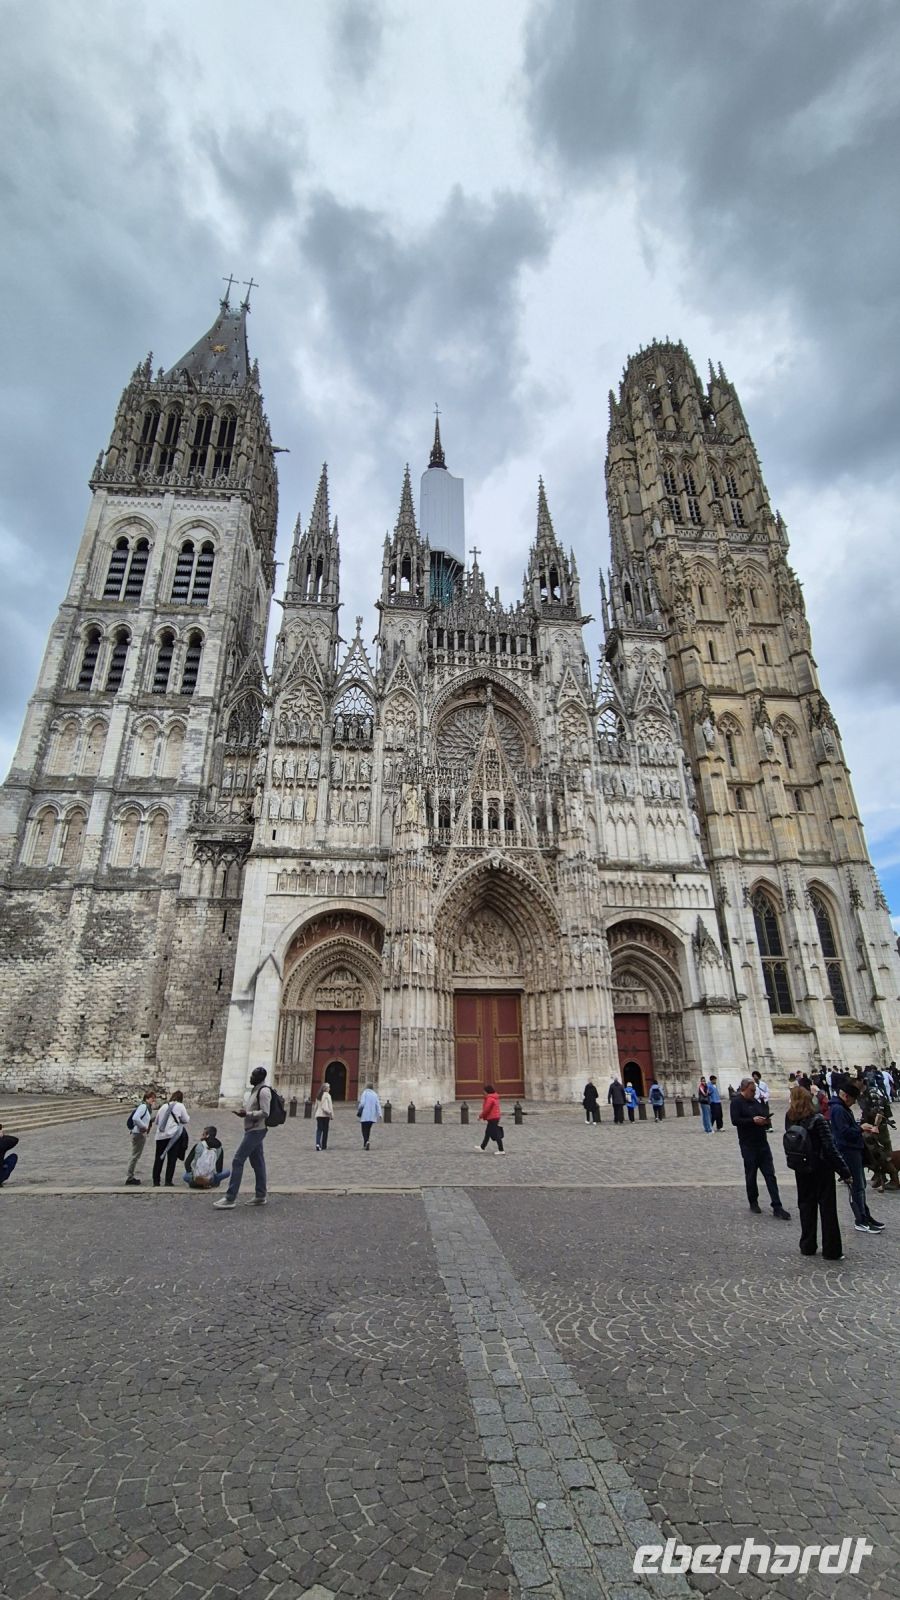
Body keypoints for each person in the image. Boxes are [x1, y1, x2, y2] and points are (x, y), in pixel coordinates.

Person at [783, 1084, 851, 1260]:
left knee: (806, 1206)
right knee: (827, 1209)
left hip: (802, 1168)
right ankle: (831, 1250)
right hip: (821, 1168)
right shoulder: (818, 1119)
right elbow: (830, 1148)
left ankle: (807, 1245)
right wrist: (844, 1171)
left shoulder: (790, 1118)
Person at [829, 1075, 884, 1235]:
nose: (854, 1103)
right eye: (853, 1100)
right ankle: (860, 1220)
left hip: (854, 1150)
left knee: (860, 1186)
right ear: (846, 1096)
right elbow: (844, 1133)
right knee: (856, 1187)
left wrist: (860, 1126)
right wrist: (861, 1129)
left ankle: (866, 1216)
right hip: (848, 1151)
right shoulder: (838, 1109)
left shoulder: (842, 1108)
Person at [730, 1077, 791, 1220]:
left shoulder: (755, 1101)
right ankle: (753, 1201)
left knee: (770, 1175)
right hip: (748, 1144)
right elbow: (735, 1120)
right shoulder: (737, 1102)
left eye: (755, 1090)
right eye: (752, 1090)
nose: (754, 1093)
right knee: (751, 1174)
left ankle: (777, 1206)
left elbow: (762, 1113)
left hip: (762, 1143)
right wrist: (752, 1121)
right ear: (744, 1088)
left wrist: (765, 1120)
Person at [214, 1067, 271, 1208]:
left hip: (256, 1130)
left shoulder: (263, 1091)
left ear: (260, 1077)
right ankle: (260, 1195)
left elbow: (265, 1112)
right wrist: (246, 1113)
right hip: (252, 1129)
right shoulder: (256, 1090)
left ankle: (230, 1198)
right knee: (258, 1162)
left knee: (238, 1160)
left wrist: (247, 1114)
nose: (250, 1077)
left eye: (253, 1075)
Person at [859, 1067, 895, 1192]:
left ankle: (894, 1178)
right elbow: (866, 1111)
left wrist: (875, 1126)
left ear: (861, 1081)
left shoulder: (872, 1092)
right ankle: (881, 1176)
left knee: (884, 1153)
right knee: (873, 1153)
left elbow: (879, 1112)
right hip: (870, 1126)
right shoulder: (861, 1095)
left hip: (880, 1127)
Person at [152, 1091, 189, 1187]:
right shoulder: (180, 1106)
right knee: (171, 1159)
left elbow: (157, 1121)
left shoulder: (163, 1106)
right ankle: (168, 1181)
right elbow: (186, 1119)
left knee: (158, 1158)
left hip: (160, 1136)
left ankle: (156, 1181)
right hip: (173, 1136)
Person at [125, 1089, 156, 1185]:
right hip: (138, 1133)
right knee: (135, 1155)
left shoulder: (146, 1108)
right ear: (147, 1098)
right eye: (152, 1099)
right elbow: (135, 1118)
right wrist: (144, 1127)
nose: (153, 1101)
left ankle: (130, 1175)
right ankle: (129, 1176)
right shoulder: (143, 1106)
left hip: (139, 1133)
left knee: (135, 1155)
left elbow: (145, 1119)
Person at [357, 1082, 383, 1152]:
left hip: (365, 1115)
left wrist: (359, 1108)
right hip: (372, 1115)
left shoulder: (365, 1093)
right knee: (368, 1129)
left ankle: (366, 1141)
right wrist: (380, 1114)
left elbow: (362, 1103)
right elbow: (378, 1105)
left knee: (363, 1129)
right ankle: (366, 1143)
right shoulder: (375, 1094)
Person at [479, 1084, 504, 1153]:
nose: (483, 1092)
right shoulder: (494, 1097)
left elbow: (486, 1109)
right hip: (495, 1117)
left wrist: (481, 1116)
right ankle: (482, 1147)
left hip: (493, 1118)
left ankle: (501, 1150)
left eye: (484, 1091)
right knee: (487, 1133)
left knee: (495, 1134)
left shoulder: (490, 1098)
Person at [315, 1083, 334, 1149]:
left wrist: (316, 1113)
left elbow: (315, 1106)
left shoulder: (318, 1095)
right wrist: (330, 1113)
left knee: (319, 1130)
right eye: (328, 1087)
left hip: (318, 1115)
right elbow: (325, 1107)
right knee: (325, 1131)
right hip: (325, 1115)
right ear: (326, 1089)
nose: (329, 1089)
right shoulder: (327, 1095)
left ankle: (317, 1143)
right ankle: (324, 1145)